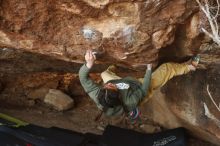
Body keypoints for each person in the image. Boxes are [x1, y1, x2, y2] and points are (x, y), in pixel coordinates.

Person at [79, 50, 200, 124]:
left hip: (122, 88)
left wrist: (88, 64)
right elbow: (144, 88)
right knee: (167, 68)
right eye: (112, 87)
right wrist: (148, 70)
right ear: (118, 93)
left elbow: (83, 78)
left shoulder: (98, 95)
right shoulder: (129, 100)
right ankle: (188, 67)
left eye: (106, 86)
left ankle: (115, 64)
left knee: (105, 74)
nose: (109, 84)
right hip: (141, 87)